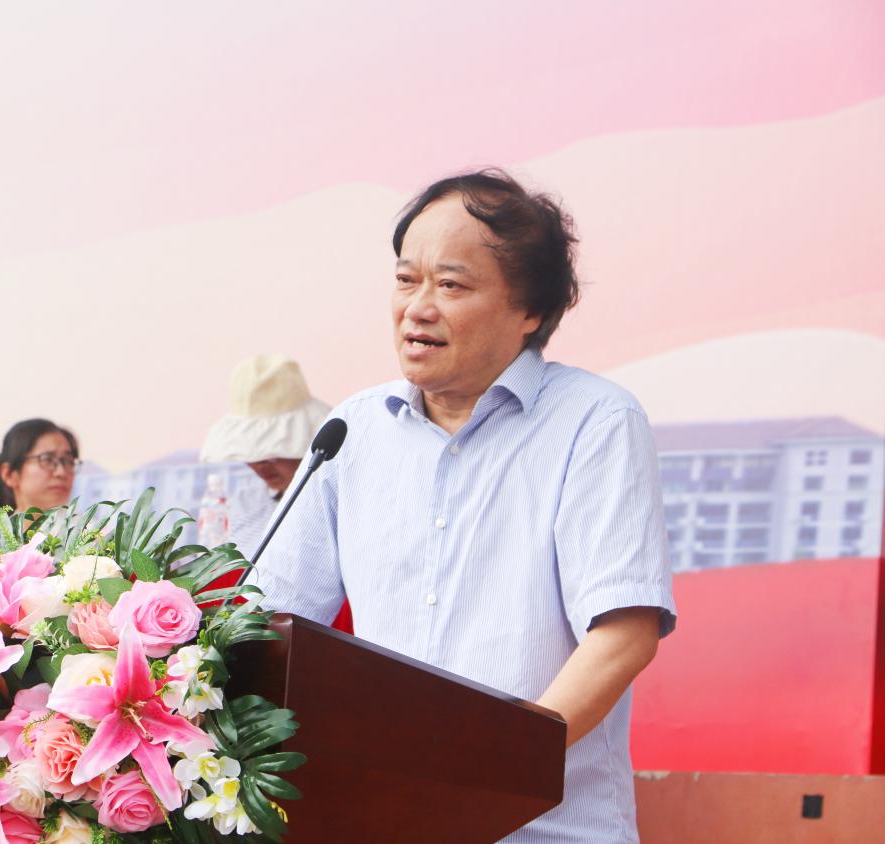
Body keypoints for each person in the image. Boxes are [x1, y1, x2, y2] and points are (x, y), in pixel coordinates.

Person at [250, 169, 676, 843]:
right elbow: (267, 619)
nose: (417, 308)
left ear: (530, 309)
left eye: (450, 285)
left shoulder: (594, 422)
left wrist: (485, 778)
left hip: (544, 831)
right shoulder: (353, 430)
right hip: (381, 825)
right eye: (405, 279)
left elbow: (623, 633)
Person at [200, 354, 330, 555]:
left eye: (272, 454)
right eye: (251, 453)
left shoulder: (335, 502)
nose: (259, 465)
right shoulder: (241, 506)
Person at [0, 419, 81, 519]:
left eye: (68, 461)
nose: (61, 472)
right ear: (9, 475)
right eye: (47, 459)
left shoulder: (85, 528)